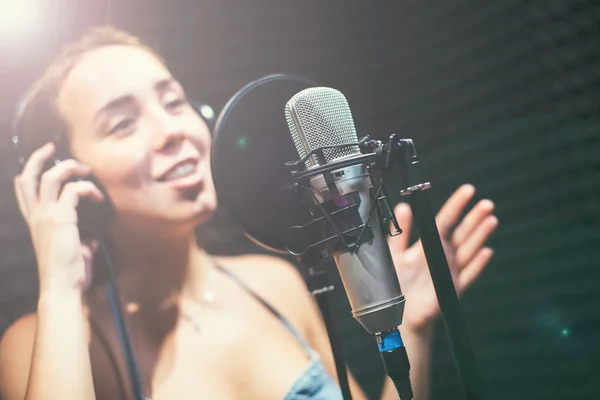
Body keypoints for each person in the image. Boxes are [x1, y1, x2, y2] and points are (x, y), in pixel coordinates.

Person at [0, 26, 498, 400]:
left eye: (174, 102)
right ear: (72, 177)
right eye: (123, 123)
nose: (175, 129)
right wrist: (60, 286)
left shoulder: (277, 284)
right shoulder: (44, 342)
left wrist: (410, 328)